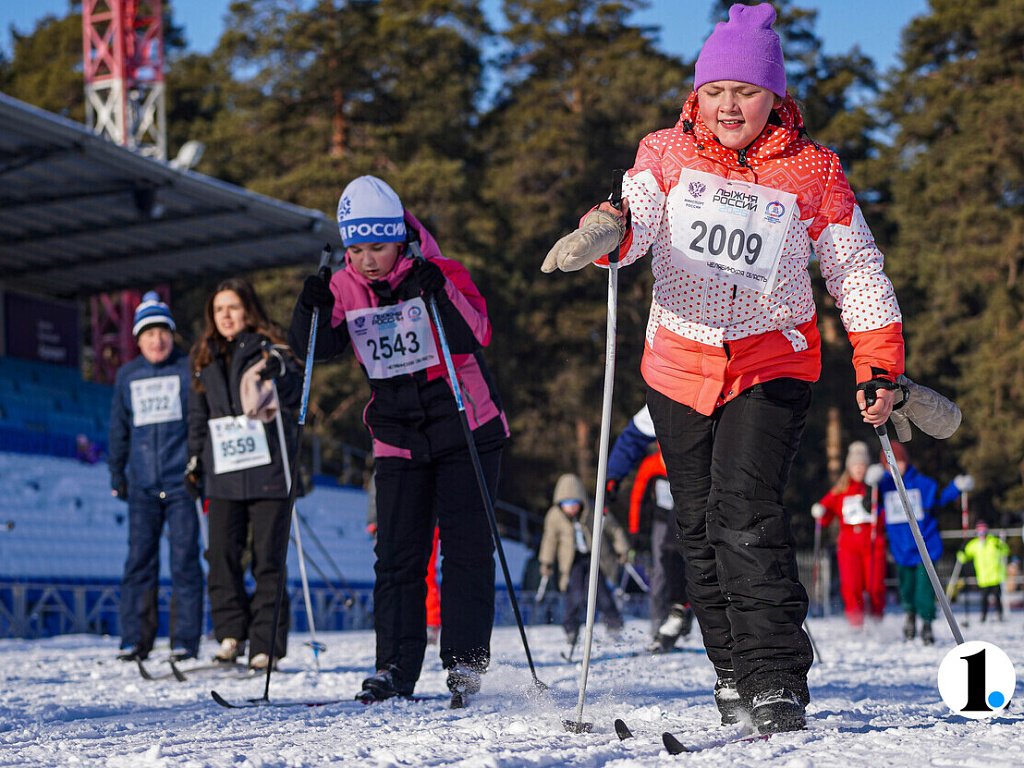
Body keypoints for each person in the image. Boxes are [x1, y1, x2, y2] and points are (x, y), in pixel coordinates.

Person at [541, 3, 905, 734]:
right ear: (697, 94)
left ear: (774, 97)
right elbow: (635, 209)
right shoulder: (666, 153)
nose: (729, 104)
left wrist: (878, 362)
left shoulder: (812, 170)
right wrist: (604, 231)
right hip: (679, 362)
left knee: (746, 512)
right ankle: (732, 669)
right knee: (698, 528)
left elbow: (856, 268)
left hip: (771, 359)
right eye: (715, 90)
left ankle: (776, 678)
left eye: (745, 90)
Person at [289, 175, 509, 703]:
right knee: (396, 557)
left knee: (465, 551)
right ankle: (394, 666)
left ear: (401, 238)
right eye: (356, 249)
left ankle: (464, 663)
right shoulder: (345, 286)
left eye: (378, 247)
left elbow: (476, 333)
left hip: (466, 426)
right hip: (397, 435)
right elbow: (315, 348)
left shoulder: (441, 271)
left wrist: (439, 289)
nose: (366, 260)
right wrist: (309, 308)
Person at [186, 277, 302, 671]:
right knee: (220, 554)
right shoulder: (204, 356)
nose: (226, 316)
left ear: (248, 309)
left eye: (233, 307)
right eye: (219, 310)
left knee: (268, 559)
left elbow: (295, 392)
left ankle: (265, 643)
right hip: (223, 470)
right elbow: (197, 417)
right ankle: (231, 633)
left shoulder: (270, 348)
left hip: (267, 467)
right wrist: (193, 461)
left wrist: (278, 370)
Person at [108, 291, 203, 662]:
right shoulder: (127, 376)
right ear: (138, 338)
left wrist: (198, 467)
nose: (156, 339)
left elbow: (198, 422)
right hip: (142, 485)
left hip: (181, 482)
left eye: (162, 332)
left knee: (185, 561)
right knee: (139, 561)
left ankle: (185, 641)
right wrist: (117, 473)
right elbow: (119, 429)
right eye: (148, 333)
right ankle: (134, 639)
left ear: (171, 334)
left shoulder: (186, 368)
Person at [607, 405, 693, 653]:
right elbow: (636, 499)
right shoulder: (652, 466)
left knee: (695, 567)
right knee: (661, 570)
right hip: (660, 521)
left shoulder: (688, 462)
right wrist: (634, 531)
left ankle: (687, 617)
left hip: (689, 514)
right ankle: (659, 626)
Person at [872, 441, 963, 645]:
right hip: (901, 548)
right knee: (907, 587)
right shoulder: (883, 486)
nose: (896, 466)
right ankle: (910, 618)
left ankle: (927, 624)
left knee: (925, 588)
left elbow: (938, 499)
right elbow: (872, 508)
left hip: (925, 546)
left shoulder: (922, 483)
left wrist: (956, 487)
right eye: (889, 463)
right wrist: (869, 492)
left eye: (899, 461)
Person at [538, 473, 630, 650]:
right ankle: (571, 629)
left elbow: (614, 529)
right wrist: (546, 562)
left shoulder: (593, 510)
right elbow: (549, 539)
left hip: (595, 558)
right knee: (574, 595)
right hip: (571, 561)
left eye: (574, 503)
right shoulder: (554, 516)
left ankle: (614, 624)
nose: (571, 509)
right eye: (566, 505)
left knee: (600, 593)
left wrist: (622, 549)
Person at [811, 441, 887, 627]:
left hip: (872, 544)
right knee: (852, 586)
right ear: (849, 467)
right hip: (848, 546)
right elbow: (826, 511)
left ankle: (876, 619)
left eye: (862, 465)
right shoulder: (841, 490)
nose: (859, 469)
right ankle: (856, 623)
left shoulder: (876, 487)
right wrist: (820, 511)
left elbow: (889, 512)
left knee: (875, 586)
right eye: (855, 465)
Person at [367, 471, 442, 644]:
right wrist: (374, 521)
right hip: (394, 521)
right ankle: (395, 623)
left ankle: (430, 622)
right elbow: (377, 491)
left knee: (426, 572)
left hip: (426, 518)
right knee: (393, 572)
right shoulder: (386, 457)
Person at [957, 520, 1010, 622]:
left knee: (997, 597)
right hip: (983, 577)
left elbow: (1005, 551)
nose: (982, 534)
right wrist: (961, 551)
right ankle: (983, 616)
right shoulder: (974, 544)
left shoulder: (994, 542)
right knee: (984, 599)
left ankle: (999, 615)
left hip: (995, 576)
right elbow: (964, 557)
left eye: (983, 531)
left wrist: (1002, 546)